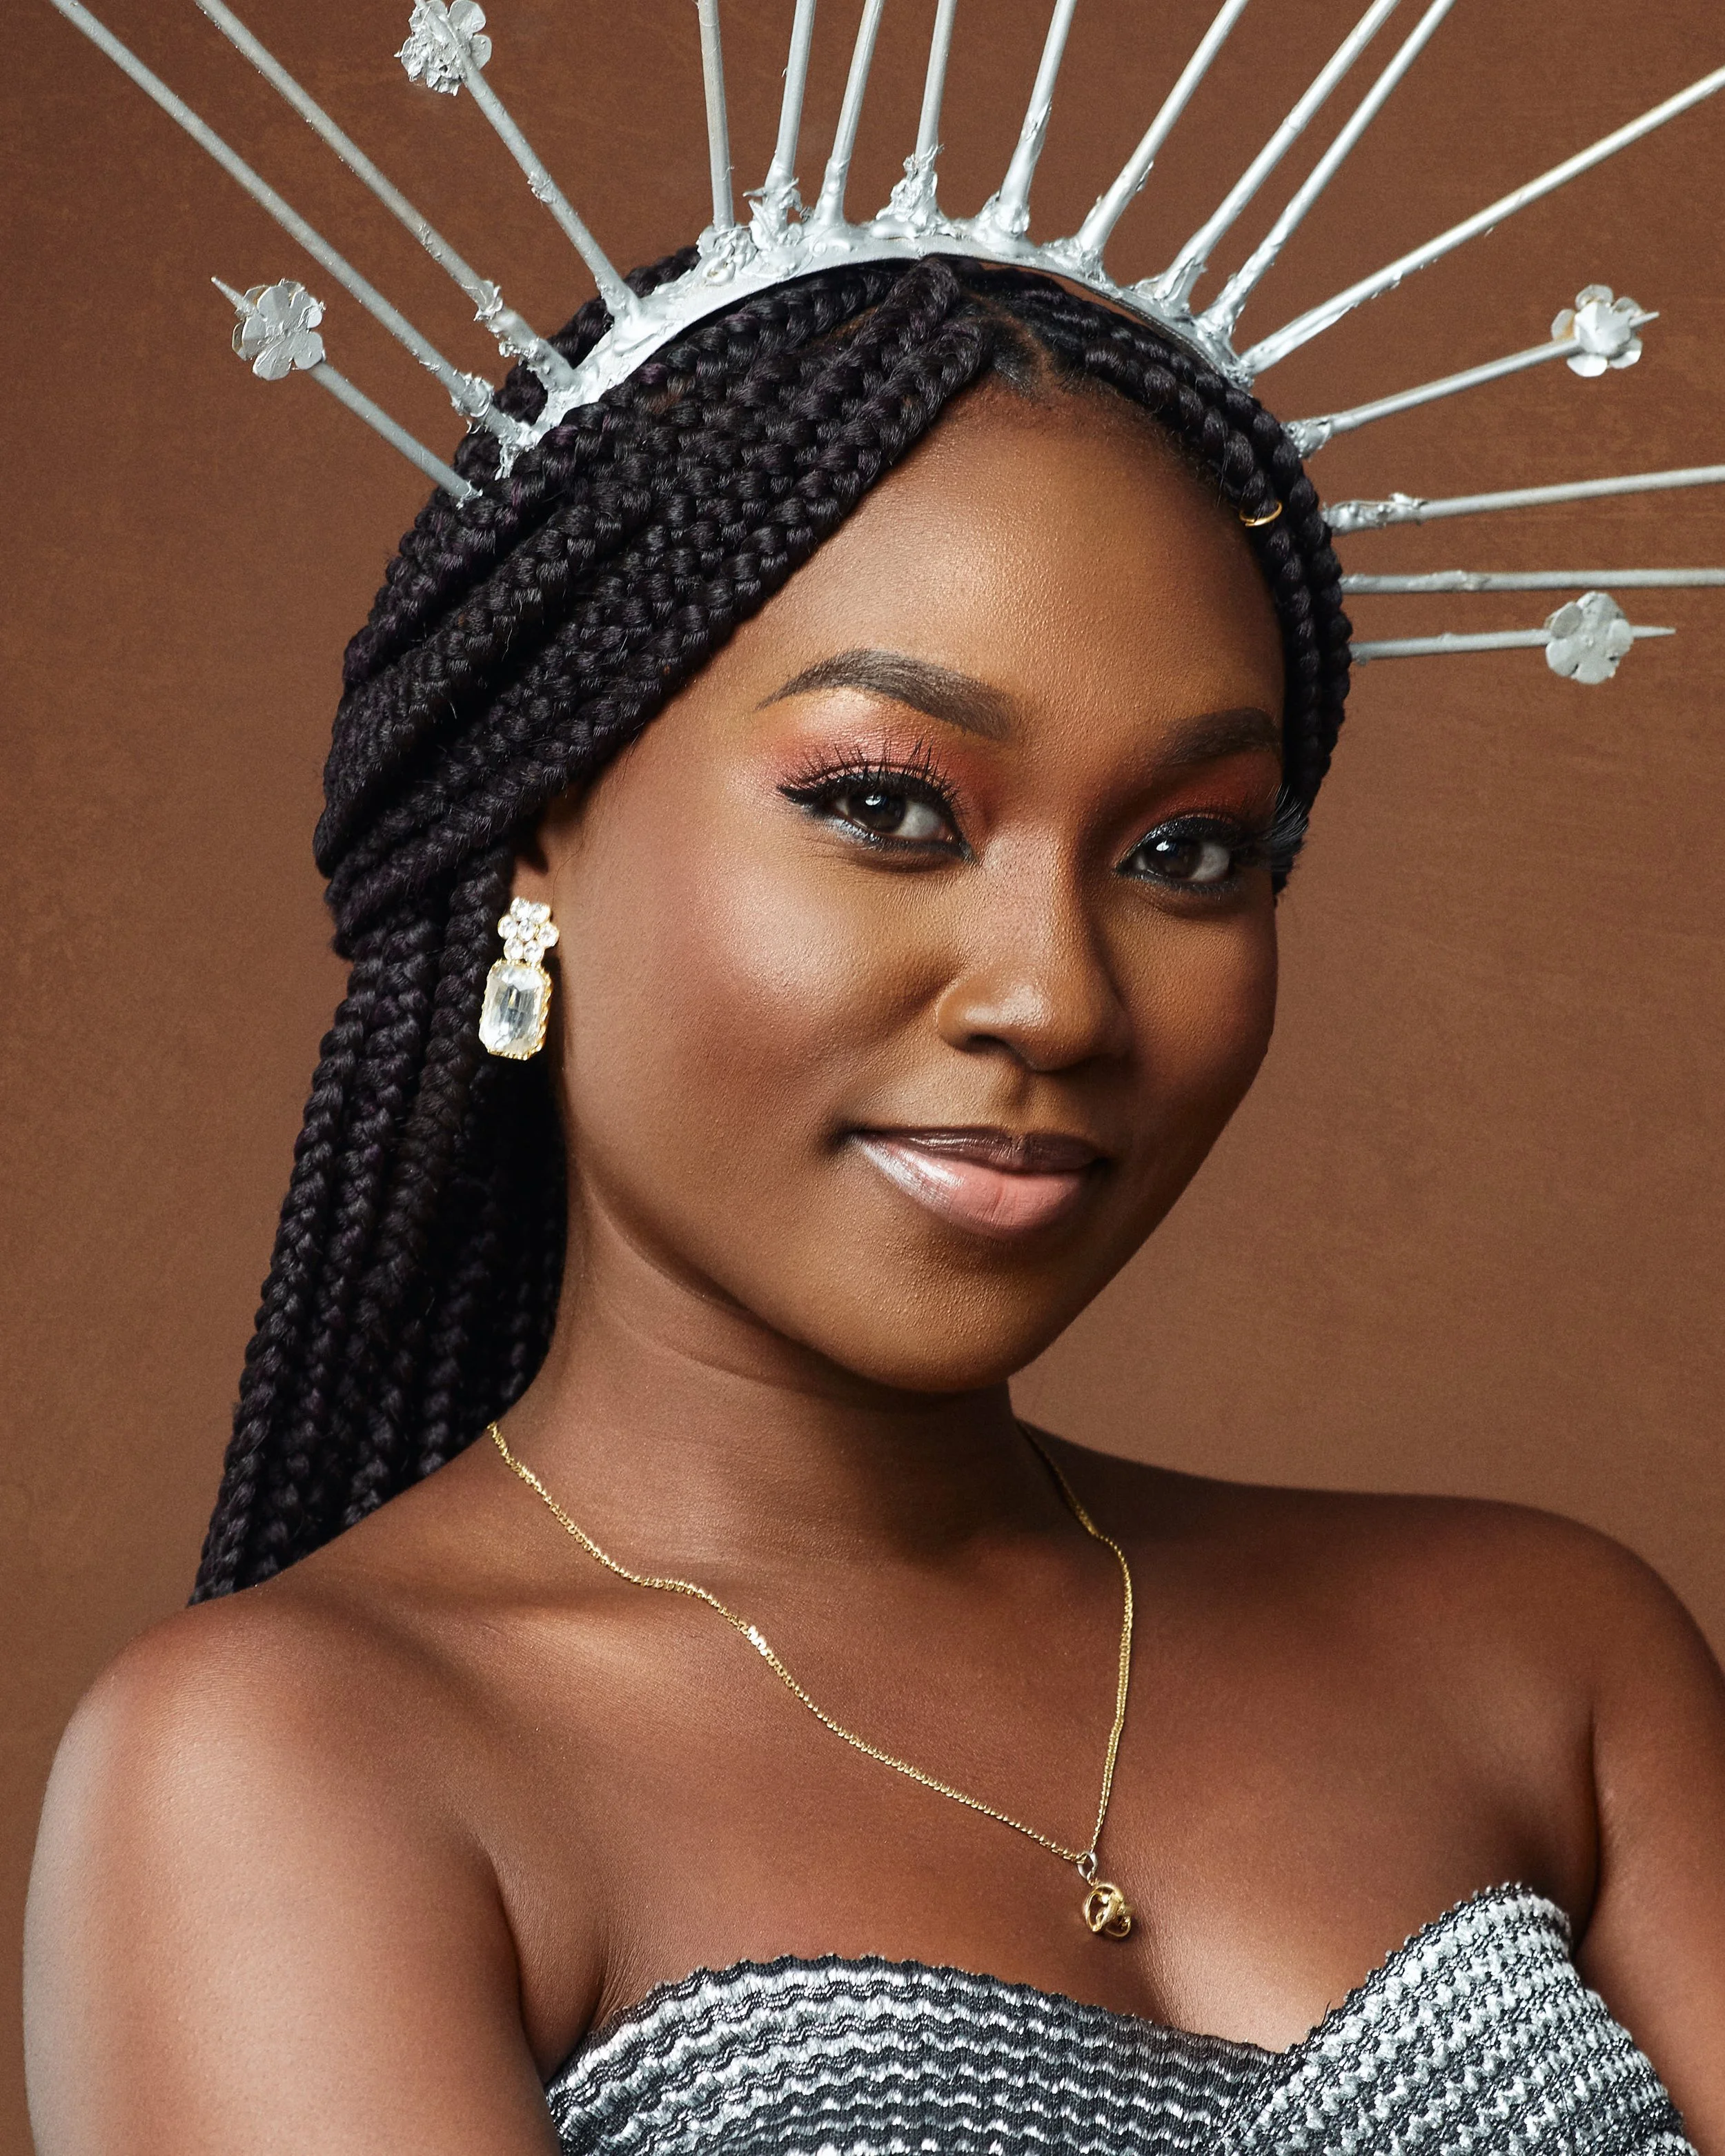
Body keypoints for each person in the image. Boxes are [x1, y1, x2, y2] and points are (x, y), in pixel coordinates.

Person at [23, 254, 1725, 2154]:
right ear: (534, 833)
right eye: (885, 805)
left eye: (1185, 849)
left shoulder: (1544, 1659)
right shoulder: (293, 1769)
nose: (1056, 994)